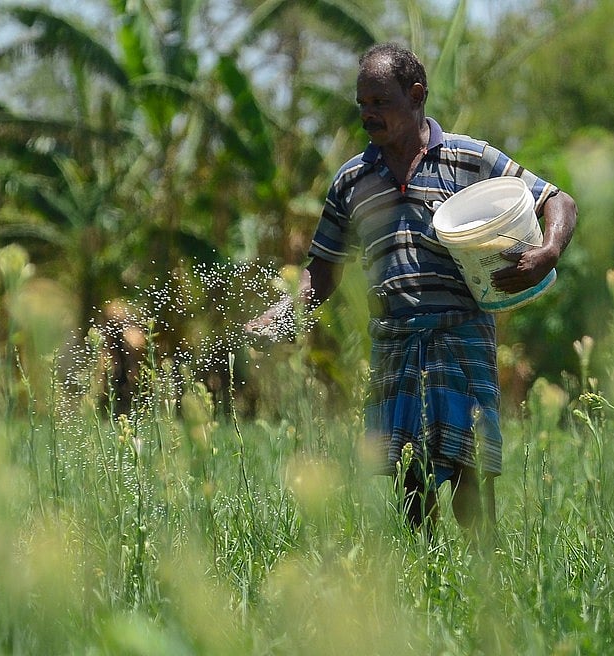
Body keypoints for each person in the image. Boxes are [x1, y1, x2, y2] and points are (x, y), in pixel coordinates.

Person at [246, 42, 577, 534]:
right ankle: (426, 584)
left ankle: (484, 587)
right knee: (409, 474)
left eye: (379, 102)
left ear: (416, 94)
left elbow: (557, 200)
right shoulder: (352, 181)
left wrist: (548, 251)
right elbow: (323, 271)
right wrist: (282, 314)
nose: (368, 114)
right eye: (362, 104)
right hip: (396, 341)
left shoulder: (471, 159)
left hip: (461, 333)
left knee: (471, 468)